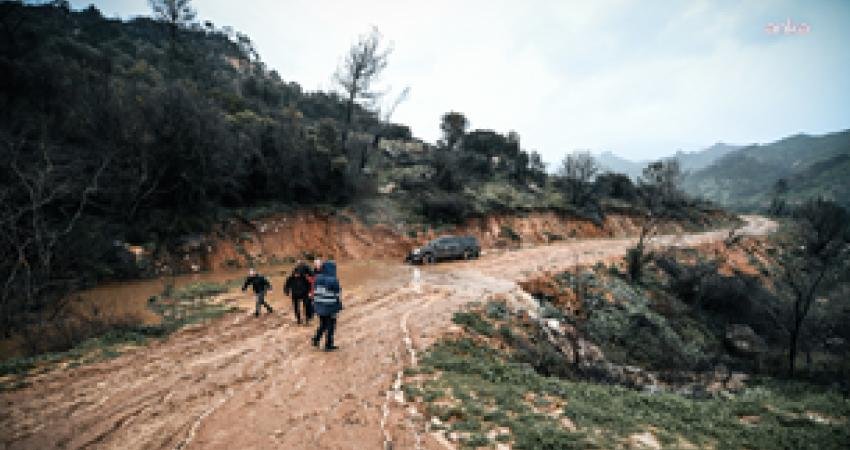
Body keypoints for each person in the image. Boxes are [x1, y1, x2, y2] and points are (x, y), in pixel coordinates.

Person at [312, 260, 342, 351]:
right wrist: (338, 307)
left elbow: (315, 291)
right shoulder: (333, 280)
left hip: (319, 306)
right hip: (330, 307)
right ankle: (328, 345)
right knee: (331, 326)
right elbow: (337, 295)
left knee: (323, 324)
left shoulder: (317, 278)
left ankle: (315, 339)